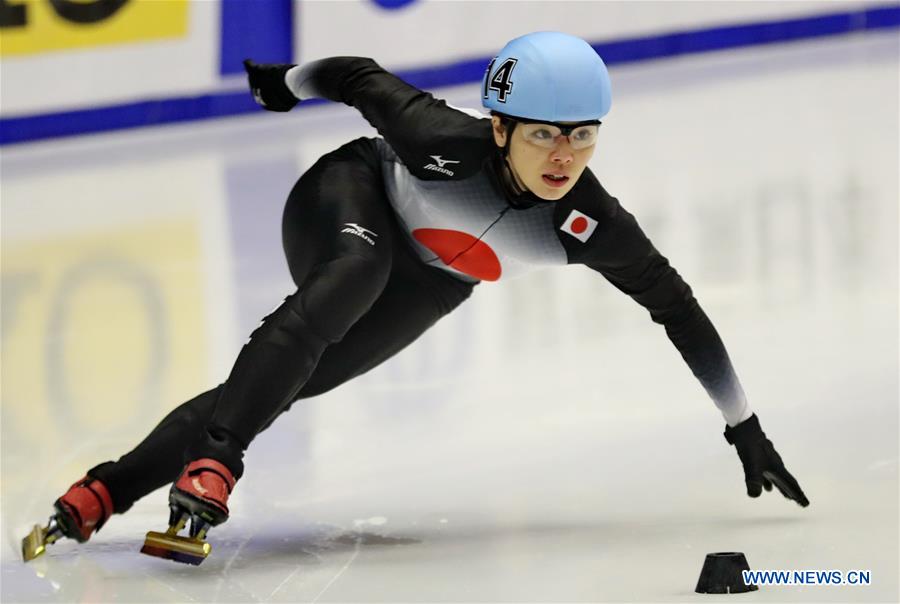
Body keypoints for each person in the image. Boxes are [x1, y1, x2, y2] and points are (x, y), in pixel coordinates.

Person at [22, 31, 809, 565]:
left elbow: (677, 306)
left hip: (436, 279)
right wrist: (284, 86)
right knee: (352, 277)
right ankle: (216, 464)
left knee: (297, 379)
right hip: (347, 197)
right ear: (499, 128)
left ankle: (105, 490)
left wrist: (743, 423)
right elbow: (355, 76)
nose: (563, 155)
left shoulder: (589, 223)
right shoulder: (437, 136)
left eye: (582, 134)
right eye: (543, 134)